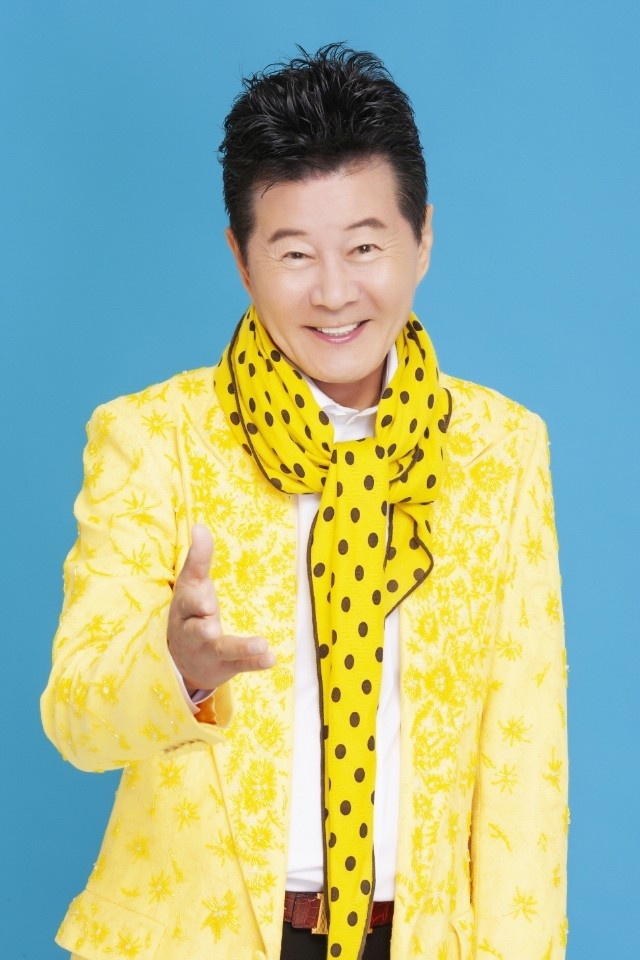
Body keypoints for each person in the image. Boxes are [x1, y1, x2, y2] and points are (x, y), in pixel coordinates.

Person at [41, 44, 568, 960]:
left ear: (422, 239)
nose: (333, 292)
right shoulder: (153, 437)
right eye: (293, 253)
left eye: (364, 247)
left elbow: (525, 772)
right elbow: (77, 719)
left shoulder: (501, 449)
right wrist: (177, 671)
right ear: (242, 261)